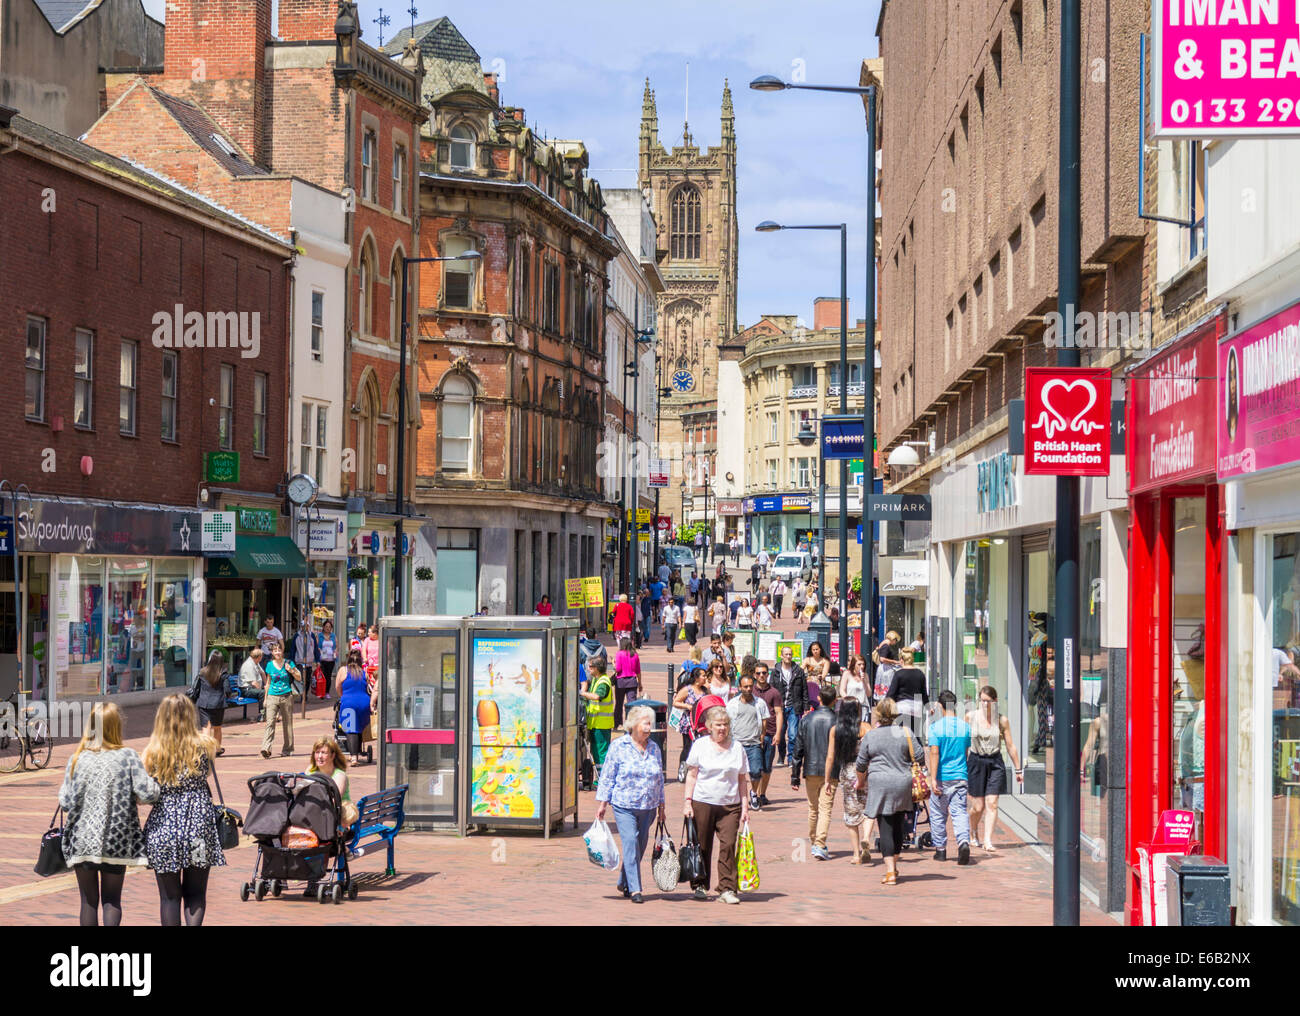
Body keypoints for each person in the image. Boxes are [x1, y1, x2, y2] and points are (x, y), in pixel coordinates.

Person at [58, 703, 160, 926]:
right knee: (112, 899)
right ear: (116, 726)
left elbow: (65, 801)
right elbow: (148, 793)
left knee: (88, 901)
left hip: (82, 839)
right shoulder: (128, 756)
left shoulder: (77, 759)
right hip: (117, 838)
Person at [142, 694, 226, 925]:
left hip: (164, 826)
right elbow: (207, 774)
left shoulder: (153, 750)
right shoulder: (206, 744)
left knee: (169, 898)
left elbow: (147, 786)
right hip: (198, 824)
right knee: (196, 893)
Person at [594, 705, 666, 903]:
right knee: (630, 843)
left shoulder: (654, 747)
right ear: (633, 724)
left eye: (650, 723)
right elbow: (608, 776)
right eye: (645, 723)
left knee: (639, 846)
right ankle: (636, 889)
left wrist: (661, 806)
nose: (649, 727)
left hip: (648, 806)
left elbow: (659, 777)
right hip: (624, 804)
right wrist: (603, 803)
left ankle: (624, 880)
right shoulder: (619, 746)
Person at [682, 706, 750, 904]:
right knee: (702, 844)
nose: (722, 728)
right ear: (709, 726)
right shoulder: (700, 745)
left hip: (730, 805)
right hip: (703, 802)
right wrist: (688, 802)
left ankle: (727, 888)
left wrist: (745, 807)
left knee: (728, 844)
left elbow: (742, 779)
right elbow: (692, 775)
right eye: (718, 725)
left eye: (726, 725)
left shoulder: (737, 747)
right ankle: (700, 884)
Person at [854, 698, 923, 885]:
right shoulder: (905, 732)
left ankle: (891, 871)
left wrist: (860, 781)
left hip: (879, 783)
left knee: (885, 826)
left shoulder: (871, 735)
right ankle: (895, 863)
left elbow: (860, 763)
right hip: (902, 782)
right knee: (899, 824)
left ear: (878, 714)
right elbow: (919, 755)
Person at [966, 685, 1024, 852]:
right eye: (982, 701)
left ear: (995, 701)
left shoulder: (1002, 720)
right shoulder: (971, 717)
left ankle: (987, 840)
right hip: (976, 761)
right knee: (978, 806)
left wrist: (1018, 769)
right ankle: (973, 830)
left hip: (995, 762)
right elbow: (964, 743)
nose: (985, 704)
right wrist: (962, 763)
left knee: (992, 803)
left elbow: (1011, 746)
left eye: (988, 701)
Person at [926, 689, 972, 864]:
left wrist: (933, 778)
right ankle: (963, 841)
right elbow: (965, 752)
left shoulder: (935, 728)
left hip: (942, 777)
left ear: (939, 706)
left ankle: (940, 849)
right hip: (960, 775)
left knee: (938, 813)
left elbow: (934, 753)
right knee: (959, 812)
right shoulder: (965, 727)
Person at [792, 684, 838, 860]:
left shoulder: (807, 719)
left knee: (813, 808)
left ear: (819, 698)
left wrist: (795, 775)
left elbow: (798, 748)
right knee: (825, 809)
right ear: (835, 701)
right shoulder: (837, 720)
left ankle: (814, 842)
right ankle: (819, 843)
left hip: (810, 768)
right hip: (831, 771)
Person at [826, 697, 871, 863]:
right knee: (868, 809)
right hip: (865, 770)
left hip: (847, 771)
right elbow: (872, 751)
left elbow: (830, 757)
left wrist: (827, 779)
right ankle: (866, 836)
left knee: (851, 813)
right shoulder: (866, 728)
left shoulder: (835, 730)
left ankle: (855, 854)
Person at [726, 674, 770, 812]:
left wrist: (762, 735)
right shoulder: (733, 704)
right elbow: (727, 722)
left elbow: (764, 719)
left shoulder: (759, 703)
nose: (749, 689)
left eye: (751, 686)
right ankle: (736, 796)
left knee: (756, 771)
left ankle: (754, 794)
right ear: (740, 687)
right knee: (734, 772)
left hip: (754, 743)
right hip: (737, 744)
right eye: (745, 686)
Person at [260, 640, 301, 759]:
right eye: (275, 650)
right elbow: (268, 682)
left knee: (287, 723)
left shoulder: (289, 663)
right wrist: (265, 698)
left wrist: (291, 670)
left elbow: (299, 677)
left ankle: (288, 749)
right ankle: (266, 748)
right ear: (272, 653)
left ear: (282, 651)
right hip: (273, 696)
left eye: (279, 650)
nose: (277, 652)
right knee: (270, 722)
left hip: (286, 696)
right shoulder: (269, 665)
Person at [307, 738, 358, 830]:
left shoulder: (339, 776)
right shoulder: (311, 770)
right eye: (317, 752)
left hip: (339, 814)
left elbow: (334, 801)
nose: (319, 756)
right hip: (317, 810)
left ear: (332, 755)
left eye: (324, 753)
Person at [751, 663, 784, 804]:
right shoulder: (749, 690)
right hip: (752, 735)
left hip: (770, 733)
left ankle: (762, 794)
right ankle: (754, 794)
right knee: (755, 768)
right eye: (758, 673)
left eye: (764, 673)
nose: (761, 676)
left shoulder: (774, 692)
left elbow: (778, 713)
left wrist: (778, 733)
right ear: (754, 675)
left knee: (767, 767)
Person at [336, 648, 373, 765]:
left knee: (351, 730)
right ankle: (357, 750)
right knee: (359, 727)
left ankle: (353, 757)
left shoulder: (343, 670)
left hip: (349, 703)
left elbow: (337, 686)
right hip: (364, 703)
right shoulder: (364, 672)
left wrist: (343, 697)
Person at [581, 658, 615, 784]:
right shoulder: (596, 679)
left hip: (602, 724)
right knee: (595, 752)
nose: (588, 669)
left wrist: (582, 693)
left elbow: (597, 696)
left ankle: (605, 779)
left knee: (602, 752)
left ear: (597, 668)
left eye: (590, 667)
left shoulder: (603, 682)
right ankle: (599, 778)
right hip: (595, 723)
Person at [776, 645, 809, 769]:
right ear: (781, 656)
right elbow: (773, 688)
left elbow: (804, 689)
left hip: (794, 705)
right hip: (779, 707)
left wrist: (806, 706)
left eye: (790, 654)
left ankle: (791, 759)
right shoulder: (776, 671)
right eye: (786, 654)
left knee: (793, 733)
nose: (789, 657)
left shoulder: (798, 671)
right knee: (780, 731)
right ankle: (781, 755)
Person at [193, 649, 228, 756]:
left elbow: (196, 688)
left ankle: (205, 750)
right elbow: (228, 690)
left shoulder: (202, 672)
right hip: (218, 704)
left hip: (204, 702)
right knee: (217, 727)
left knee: (206, 727)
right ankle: (217, 749)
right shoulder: (223, 673)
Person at [886, 648, 929, 735]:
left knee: (901, 735)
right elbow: (924, 694)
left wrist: (887, 705)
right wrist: (928, 707)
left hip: (902, 707)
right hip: (916, 708)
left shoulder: (899, 674)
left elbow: (891, 693)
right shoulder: (920, 673)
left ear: (902, 660)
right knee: (915, 735)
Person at [612, 637, 643, 729]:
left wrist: (613, 663)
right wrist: (640, 683)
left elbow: (617, 669)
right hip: (632, 682)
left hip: (621, 681)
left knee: (619, 703)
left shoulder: (619, 654)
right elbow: (638, 671)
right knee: (631, 704)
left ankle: (617, 723)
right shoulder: (635, 655)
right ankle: (631, 723)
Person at [237, 647, 267, 722]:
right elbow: (254, 683)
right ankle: (262, 715)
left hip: (252, 688)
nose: (262, 658)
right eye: (261, 657)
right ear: (259, 657)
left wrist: (267, 685)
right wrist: (264, 691)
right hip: (246, 690)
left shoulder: (255, 662)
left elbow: (262, 673)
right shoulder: (249, 665)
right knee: (263, 693)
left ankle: (270, 714)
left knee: (268, 692)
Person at [873, 631, 902, 701]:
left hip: (884, 669)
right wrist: (895, 662)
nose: (896, 642)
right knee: (886, 688)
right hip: (885, 670)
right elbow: (882, 659)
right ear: (893, 638)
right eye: (896, 640)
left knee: (883, 690)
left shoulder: (883, 644)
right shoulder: (886, 646)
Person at [318, 620, 338, 698]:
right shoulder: (320, 636)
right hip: (322, 659)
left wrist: (336, 651)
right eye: (326, 626)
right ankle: (321, 693)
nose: (328, 628)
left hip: (331, 659)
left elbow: (336, 646)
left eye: (329, 627)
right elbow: (317, 646)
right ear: (323, 627)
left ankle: (327, 692)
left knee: (328, 676)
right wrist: (319, 650)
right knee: (322, 676)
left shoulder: (333, 636)